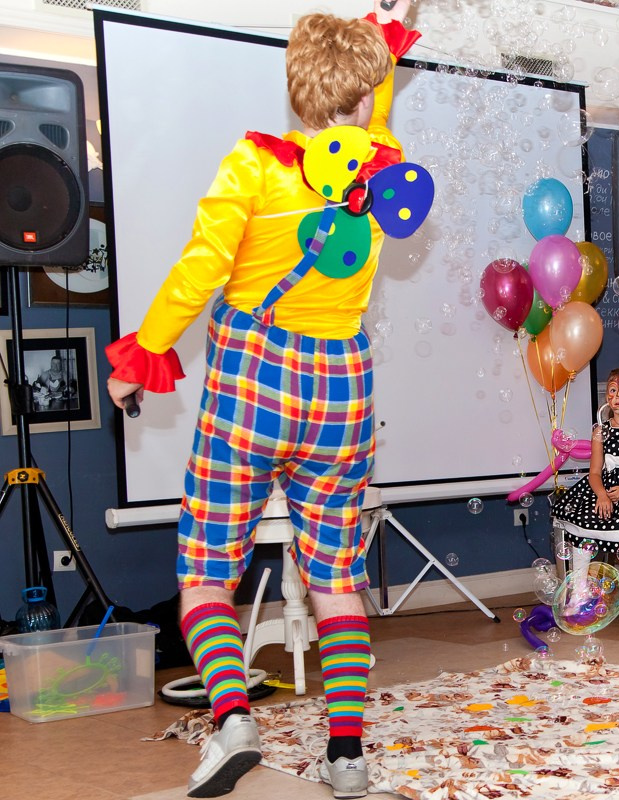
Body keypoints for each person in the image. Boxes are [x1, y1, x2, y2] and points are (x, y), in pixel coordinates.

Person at [103, 3, 421, 796]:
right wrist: (388, 34)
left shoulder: (253, 166)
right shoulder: (384, 165)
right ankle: (346, 757)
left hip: (254, 382)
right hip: (341, 388)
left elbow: (199, 269)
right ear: (364, 94)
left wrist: (141, 357)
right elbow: (373, 116)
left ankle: (234, 719)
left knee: (208, 572)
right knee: (335, 579)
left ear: (299, 90)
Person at [551, 367, 619, 559]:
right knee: (585, 515)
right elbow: (594, 472)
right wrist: (602, 495)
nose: (617, 395)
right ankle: (580, 576)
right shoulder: (601, 431)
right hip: (604, 489)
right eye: (612, 390)